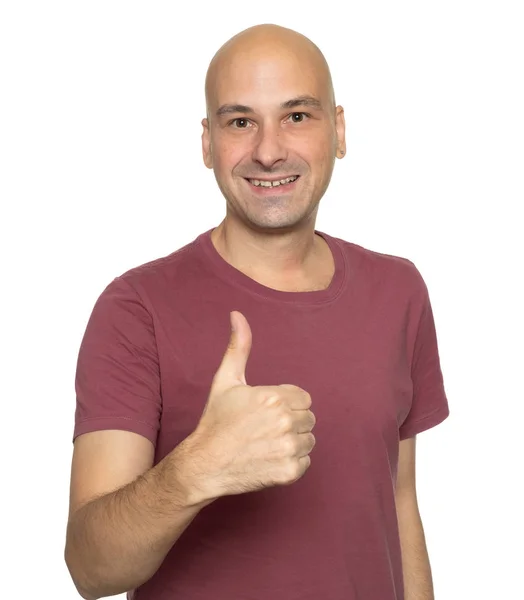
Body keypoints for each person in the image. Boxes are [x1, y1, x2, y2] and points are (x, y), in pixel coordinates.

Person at [64, 23, 449, 600]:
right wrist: (200, 467)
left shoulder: (399, 291)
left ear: (338, 131)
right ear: (207, 143)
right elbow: (91, 570)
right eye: (240, 121)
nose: (268, 150)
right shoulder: (135, 309)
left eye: (297, 115)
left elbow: (397, 502)